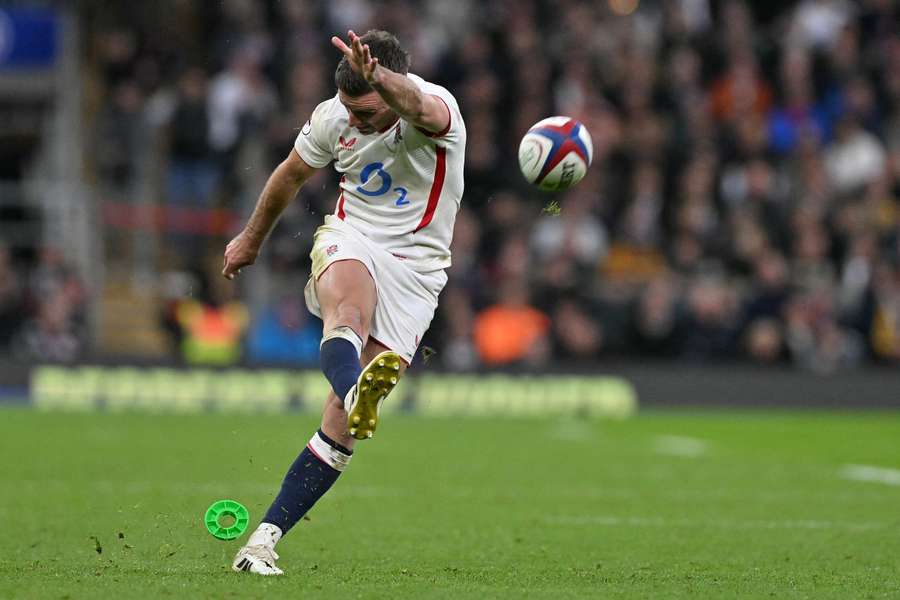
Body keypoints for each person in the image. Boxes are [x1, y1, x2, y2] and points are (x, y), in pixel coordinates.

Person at [222, 29, 465, 575]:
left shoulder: (438, 108)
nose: (354, 120)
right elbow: (290, 175)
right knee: (347, 315)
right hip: (354, 237)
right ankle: (355, 386)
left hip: (420, 271)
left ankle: (261, 540)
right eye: (350, 108)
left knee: (343, 422)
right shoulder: (334, 116)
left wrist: (383, 81)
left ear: (390, 84)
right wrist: (251, 239)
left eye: (367, 108)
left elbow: (414, 103)